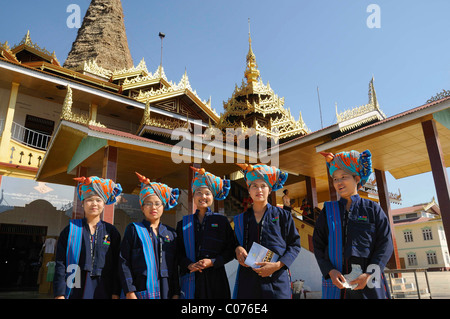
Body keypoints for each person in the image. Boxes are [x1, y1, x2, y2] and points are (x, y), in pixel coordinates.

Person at [313, 150, 393, 299]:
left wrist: (369, 274)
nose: (339, 182)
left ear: (356, 178)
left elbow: (385, 244)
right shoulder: (327, 212)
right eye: (335, 179)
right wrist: (329, 270)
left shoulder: (372, 209)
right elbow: (318, 244)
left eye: (344, 177)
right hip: (337, 283)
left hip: (369, 282)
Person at [234, 163, 301, 299]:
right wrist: (237, 249)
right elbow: (232, 243)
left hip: (277, 279)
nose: (259, 189)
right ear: (249, 189)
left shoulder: (283, 216)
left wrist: (277, 265)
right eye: (254, 186)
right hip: (248, 281)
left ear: (270, 189)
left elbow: (295, 245)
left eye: (263, 186)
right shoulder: (240, 219)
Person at [54, 176, 122, 299]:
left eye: (98, 200)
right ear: (82, 203)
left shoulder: (111, 232)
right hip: (76, 282)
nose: (94, 204)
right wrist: (60, 293)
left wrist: (115, 292)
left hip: (104, 284)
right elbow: (61, 263)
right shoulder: (71, 230)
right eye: (89, 200)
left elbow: (117, 264)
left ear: (104, 203)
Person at [176, 167, 236, 299]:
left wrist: (213, 261)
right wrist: (189, 264)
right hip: (191, 279)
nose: (203, 196)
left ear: (212, 196)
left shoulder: (222, 221)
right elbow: (177, 252)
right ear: (193, 195)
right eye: (199, 192)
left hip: (217, 280)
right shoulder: (183, 224)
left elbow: (231, 249)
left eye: (207, 193)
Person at [118, 172, 180, 299]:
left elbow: (174, 266)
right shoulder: (134, 230)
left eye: (157, 203)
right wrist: (129, 292)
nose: (153, 207)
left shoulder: (171, 234)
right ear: (142, 207)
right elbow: (123, 262)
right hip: (140, 291)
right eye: (148, 203)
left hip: (166, 291)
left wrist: (176, 293)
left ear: (163, 206)